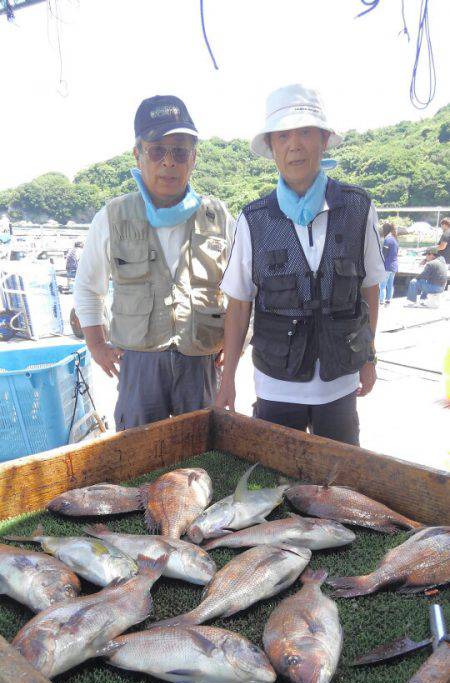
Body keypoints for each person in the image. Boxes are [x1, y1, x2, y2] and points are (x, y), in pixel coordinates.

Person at [216, 84, 385, 446]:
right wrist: (227, 378)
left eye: (305, 132)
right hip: (276, 385)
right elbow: (239, 303)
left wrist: (369, 357)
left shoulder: (358, 207)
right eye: (283, 136)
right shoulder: (253, 219)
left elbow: (369, 286)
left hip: (340, 383)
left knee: (339, 481)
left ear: (324, 140)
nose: (295, 144)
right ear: (272, 147)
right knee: (275, 481)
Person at [74, 95, 233, 431]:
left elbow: (243, 291)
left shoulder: (219, 217)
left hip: (201, 361)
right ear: (138, 153)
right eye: (157, 150)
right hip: (138, 364)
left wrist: (236, 346)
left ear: (193, 158)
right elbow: (89, 288)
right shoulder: (112, 217)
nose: (168, 162)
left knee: (203, 453)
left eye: (179, 152)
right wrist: (97, 345)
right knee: (137, 457)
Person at [379, 222, 398, 305]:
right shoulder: (394, 239)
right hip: (394, 265)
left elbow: (384, 254)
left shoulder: (387, 239)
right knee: (390, 284)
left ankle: (381, 301)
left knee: (382, 285)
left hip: (387, 266)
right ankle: (388, 299)